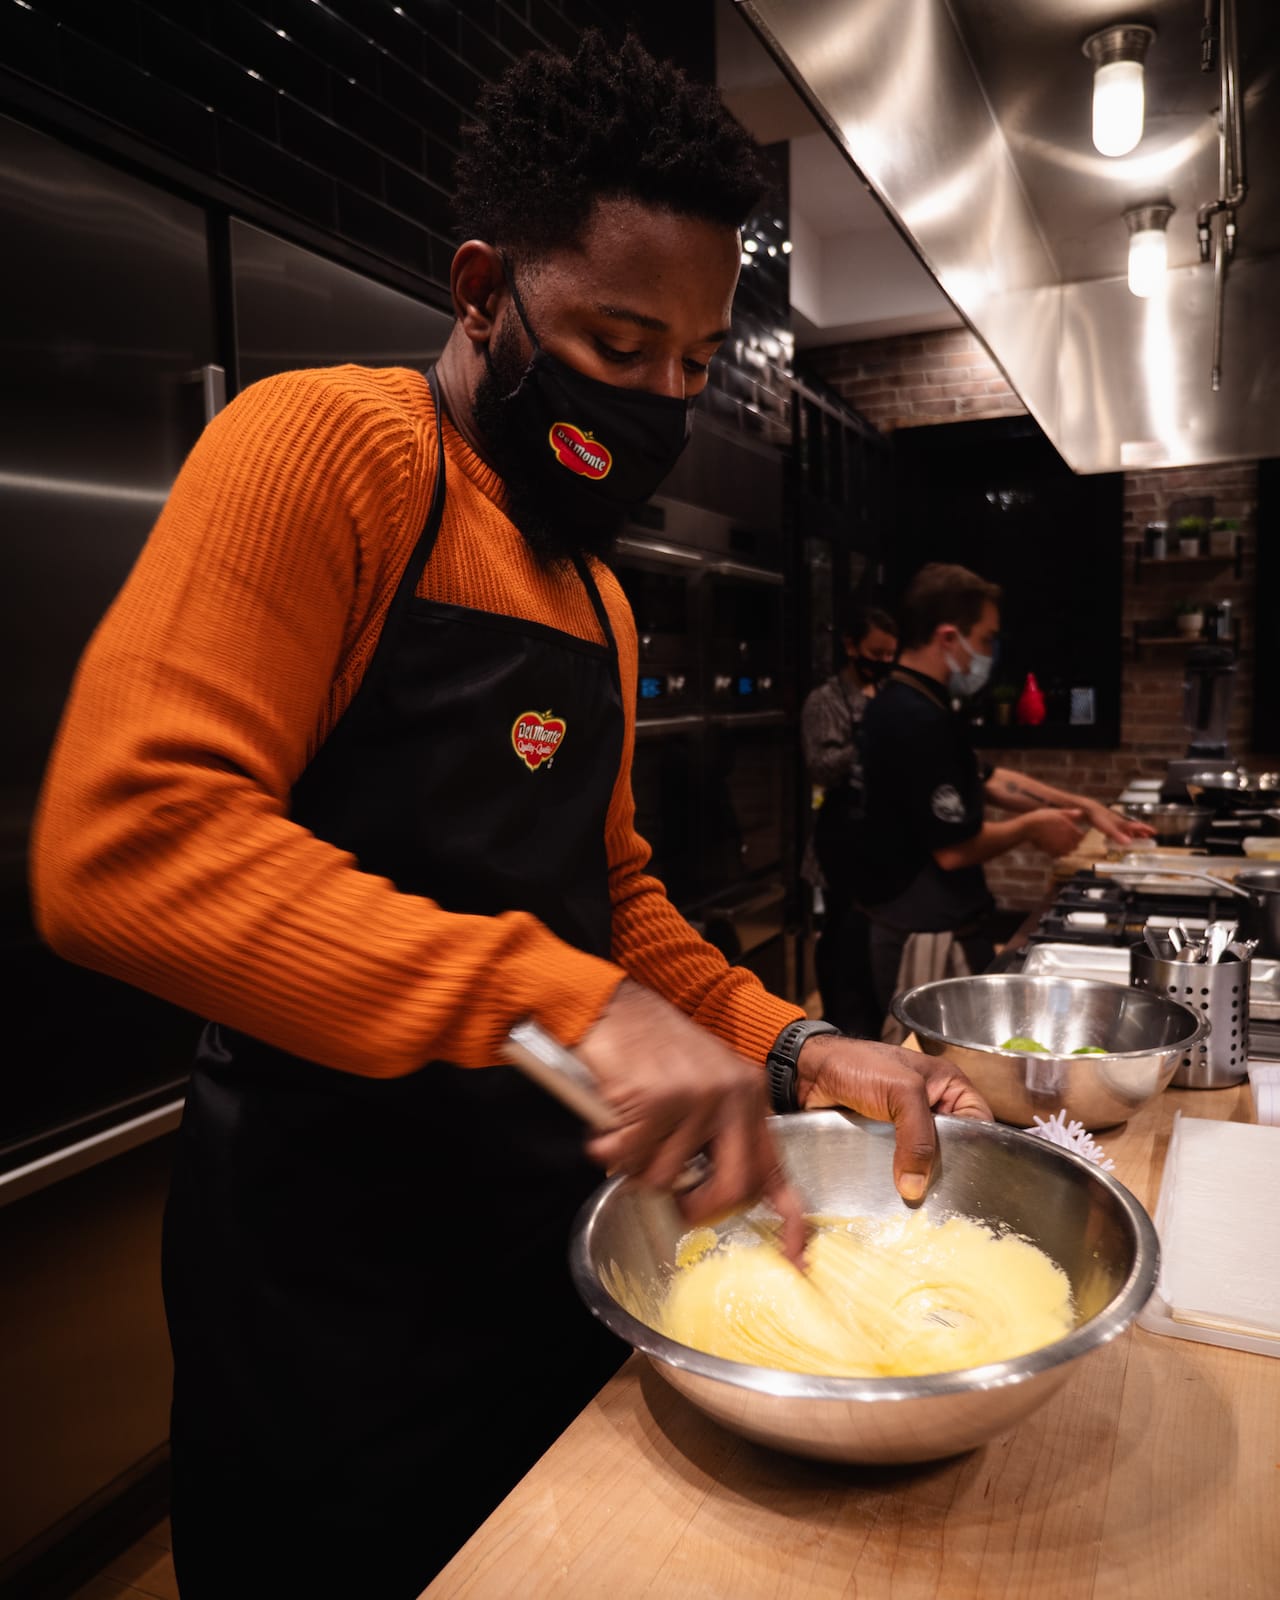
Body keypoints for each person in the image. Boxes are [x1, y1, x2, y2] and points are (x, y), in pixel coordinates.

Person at [30, 36, 988, 1599]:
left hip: (548, 1229)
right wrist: (565, 1002)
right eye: (621, 343)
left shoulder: (595, 596)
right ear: (482, 288)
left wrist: (796, 1044)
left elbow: (605, 893)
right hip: (325, 1262)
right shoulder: (334, 450)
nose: (663, 399)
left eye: (691, 362)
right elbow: (126, 847)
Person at [856, 563, 1153, 1037]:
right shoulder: (912, 717)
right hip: (922, 933)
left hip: (940, 921)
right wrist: (1033, 826)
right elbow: (953, 850)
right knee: (927, 1060)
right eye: (988, 639)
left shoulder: (921, 702)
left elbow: (991, 778)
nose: (990, 653)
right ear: (949, 638)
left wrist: (1084, 805)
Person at [801, 604, 899, 1035]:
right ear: (850, 646)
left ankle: (878, 1023)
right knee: (844, 938)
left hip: (881, 841)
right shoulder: (826, 700)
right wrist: (867, 741)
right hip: (840, 841)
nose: (881, 663)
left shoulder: (892, 693)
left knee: (877, 940)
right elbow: (820, 766)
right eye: (874, 653)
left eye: (888, 655)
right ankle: (841, 1028)